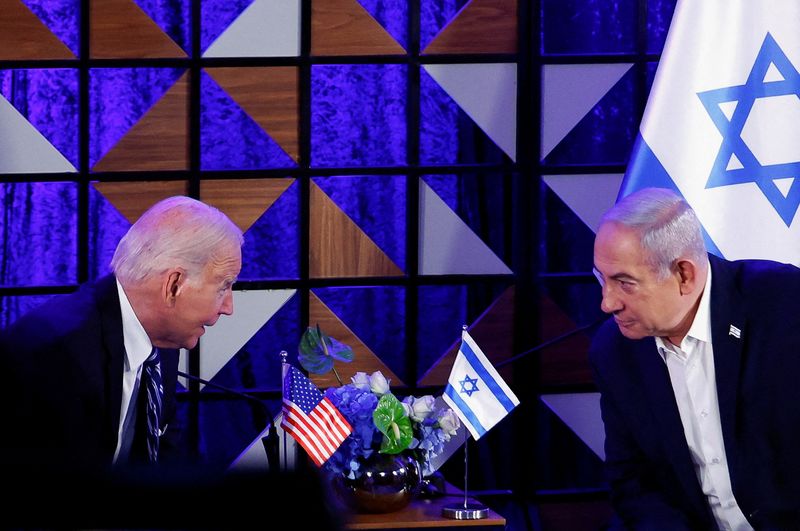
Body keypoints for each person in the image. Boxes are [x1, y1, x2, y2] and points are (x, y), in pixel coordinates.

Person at [589, 187, 800, 530]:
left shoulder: (784, 306)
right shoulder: (614, 352)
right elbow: (633, 482)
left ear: (683, 274)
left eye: (624, 283)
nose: (607, 303)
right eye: (602, 279)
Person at [0, 196, 243, 472]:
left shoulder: (162, 342)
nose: (228, 307)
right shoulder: (57, 356)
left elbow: (166, 461)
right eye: (224, 286)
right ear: (174, 285)